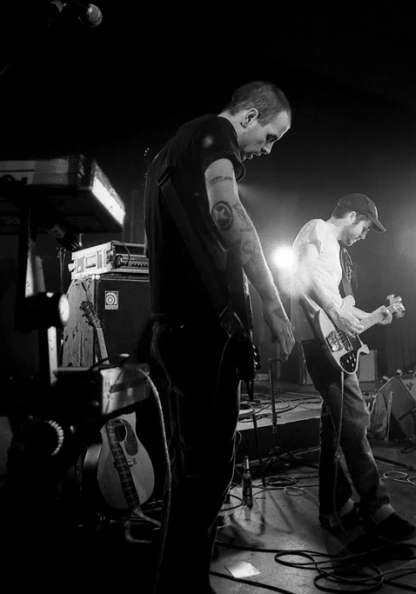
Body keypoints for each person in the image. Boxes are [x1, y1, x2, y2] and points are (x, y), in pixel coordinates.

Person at [144, 80, 295, 593]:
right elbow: (227, 215)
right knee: (206, 476)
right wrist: (275, 309)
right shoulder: (213, 133)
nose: (268, 150)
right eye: (271, 136)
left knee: (190, 476)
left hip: (175, 332)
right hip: (199, 335)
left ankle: (177, 580)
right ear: (249, 116)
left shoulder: (169, 153)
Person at [290, 193, 416, 541]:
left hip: (331, 342)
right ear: (352, 215)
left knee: (334, 429)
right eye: (365, 227)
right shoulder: (317, 228)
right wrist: (334, 311)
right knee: (356, 419)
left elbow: (348, 315)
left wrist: (380, 315)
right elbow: (299, 275)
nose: (364, 235)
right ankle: (377, 507)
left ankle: (335, 505)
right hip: (319, 342)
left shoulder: (340, 255)